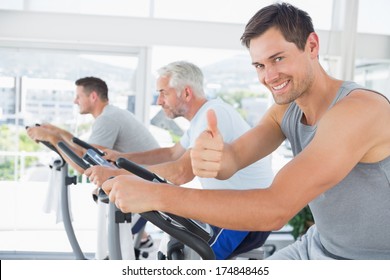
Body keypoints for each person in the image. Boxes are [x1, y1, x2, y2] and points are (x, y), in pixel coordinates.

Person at [101, 3, 390, 260]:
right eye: (259, 65)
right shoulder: (285, 110)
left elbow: (275, 209)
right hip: (318, 246)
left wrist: (157, 195)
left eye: (278, 59)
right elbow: (234, 158)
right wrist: (213, 158)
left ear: (312, 46)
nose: (269, 76)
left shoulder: (360, 111)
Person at [86, 61, 274, 259]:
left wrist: (116, 174)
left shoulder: (213, 114)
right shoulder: (202, 117)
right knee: (170, 248)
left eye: (164, 93)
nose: (159, 101)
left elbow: (181, 172)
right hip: (225, 210)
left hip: (243, 218)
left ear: (186, 93)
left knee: (184, 257)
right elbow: (171, 153)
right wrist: (121, 158)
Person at [26, 76, 159, 251]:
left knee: (105, 199)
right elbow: (87, 151)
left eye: (78, 96)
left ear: (93, 96)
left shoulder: (107, 119)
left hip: (149, 181)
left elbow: (84, 165)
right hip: (144, 176)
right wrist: (56, 132)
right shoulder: (110, 114)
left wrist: (52, 138)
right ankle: (143, 242)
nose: (75, 101)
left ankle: (136, 245)